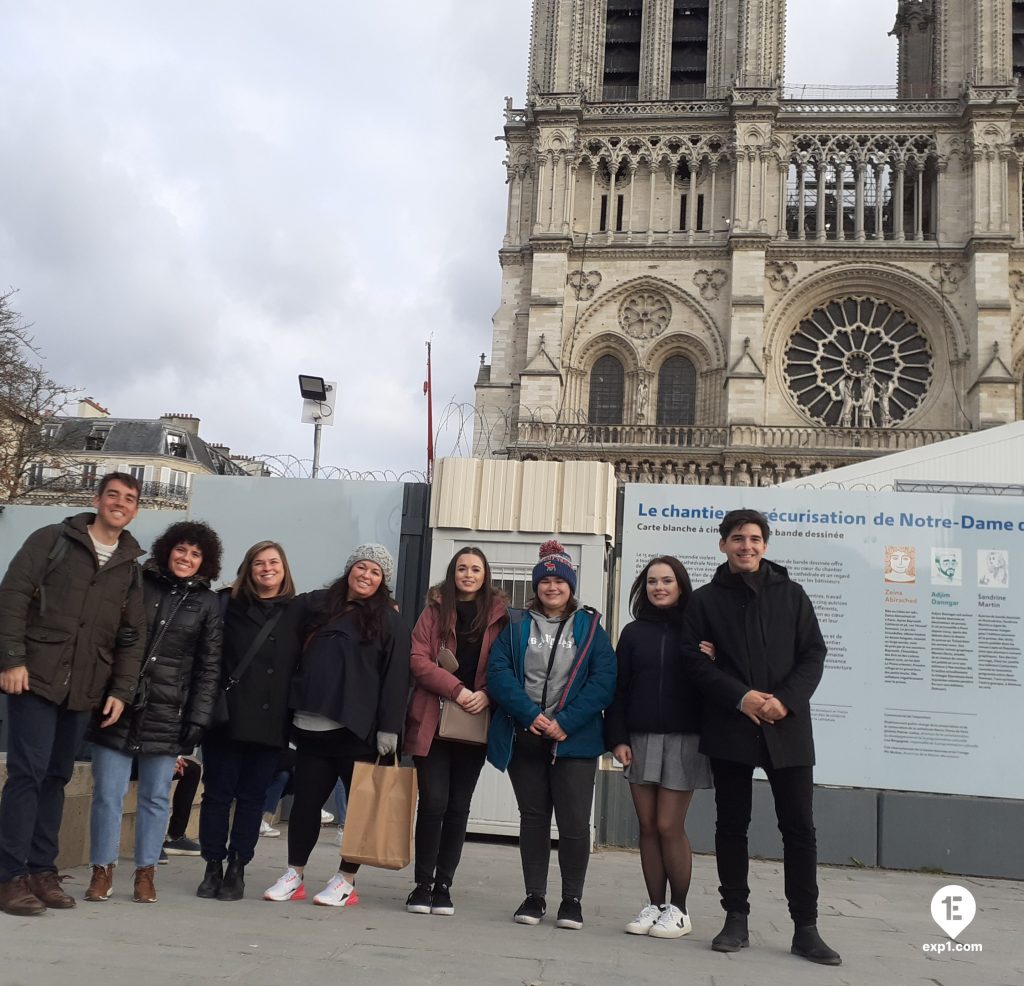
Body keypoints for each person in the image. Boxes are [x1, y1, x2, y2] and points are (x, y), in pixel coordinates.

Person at [681, 509, 841, 966]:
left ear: (765, 545)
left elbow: (814, 653)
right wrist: (742, 697)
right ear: (722, 545)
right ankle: (735, 917)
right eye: (736, 538)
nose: (745, 546)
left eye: (753, 539)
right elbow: (693, 663)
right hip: (732, 726)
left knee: (799, 827)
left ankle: (805, 928)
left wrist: (784, 700)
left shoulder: (792, 595)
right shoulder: (705, 601)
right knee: (732, 826)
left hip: (787, 727)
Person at [0, 472, 146, 916]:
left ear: (136, 509)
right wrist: (11, 659)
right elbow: (12, 596)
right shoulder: (52, 539)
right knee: (28, 773)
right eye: (113, 495)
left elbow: (131, 637)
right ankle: (9, 877)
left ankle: (42, 871)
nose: (120, 503)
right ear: (97, 500)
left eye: (130, 498)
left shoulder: (130, 566)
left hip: (85, 688)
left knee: (57, 778)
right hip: (35, 677)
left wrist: (121, 689)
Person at [263, 544, 410, 907]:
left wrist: (390, 729)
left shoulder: (389, 621)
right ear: (349, 569)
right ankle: (294, 874)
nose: (367, 575)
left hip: (358, 732)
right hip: (310, 727)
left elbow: (396, 677)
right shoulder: (316, 605)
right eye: (362, 567)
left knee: (359, 811)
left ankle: (345, 879)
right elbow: (280, 624)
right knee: (305, 806)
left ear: (383, 581)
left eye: (376, 572)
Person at [85, 521, 222, 905]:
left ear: (205, 562)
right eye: (182, 549)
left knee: (156, 797)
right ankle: (102, 870)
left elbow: (209, 667)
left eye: (196, 554)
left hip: (168, 710)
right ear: (167, 550)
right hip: (120, 703)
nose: (187, 558)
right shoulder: (138, 582)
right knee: (107, 794)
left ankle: (145, 873)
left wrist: (198, 717)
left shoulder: (208, 604)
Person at [486, 540, 616, 931]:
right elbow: (499, 674)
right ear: (536, 585)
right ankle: (534, 895)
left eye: (561, 581)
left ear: (571, 586)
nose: (552, 587)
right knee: (534, 818)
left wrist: (566, 721)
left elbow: (604, 681)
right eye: (545, 581)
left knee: (575, 822)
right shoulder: (515, 625)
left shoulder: (591, 626)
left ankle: (572, 900)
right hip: (526, 737)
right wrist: (530, 717)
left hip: (574, 741)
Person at [197, 540, 312, 901]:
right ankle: (212, 864)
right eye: (259, 563)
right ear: (248, 569)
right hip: (226, 718)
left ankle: (237, 866)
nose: (267, 568)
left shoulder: (298, 610)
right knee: (217, 795)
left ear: (284, 568)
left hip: (270, 720)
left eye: (274, 562)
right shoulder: (226, 603)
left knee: (251, 798)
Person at [605, 556, 713, 939]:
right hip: (639, 740)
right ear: (643, 588)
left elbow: (717, 682)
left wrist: (715, 659)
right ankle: (655, 905)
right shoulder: (633, 633)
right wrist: (617, 738)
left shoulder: (698, 631)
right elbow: (618, 690)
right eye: (652, 581)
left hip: (686, 740)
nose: (659, 587)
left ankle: (680, 911)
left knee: (669, 825)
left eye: (667, 580)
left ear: (680, 585)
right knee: (648, 826)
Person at [404, 548, 507, 916]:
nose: (468, 574)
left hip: (476, 724)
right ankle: (422, 884)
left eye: (475, 569)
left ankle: (444, 885)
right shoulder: (433, 611)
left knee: (459, 807)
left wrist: (487, 694)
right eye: (461, 568)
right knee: (433, 803)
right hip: (432, 720)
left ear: (485, 574)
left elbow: (507, 666)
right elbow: (417, 660)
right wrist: (457, 689)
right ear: (452, 573)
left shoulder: (500, 617)